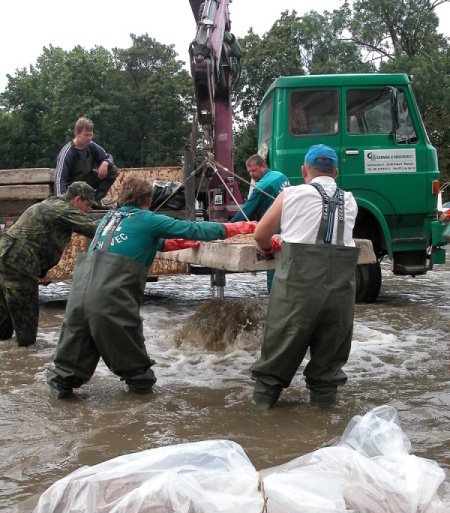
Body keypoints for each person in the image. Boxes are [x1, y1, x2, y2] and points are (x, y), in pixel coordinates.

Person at [46, 175, 257, 399]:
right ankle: (138, 421)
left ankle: (62, 410)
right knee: (138, 376)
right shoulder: (147, 219)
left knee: (66, 371)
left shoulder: (109, 218)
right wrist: (244, 227)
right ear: (147, 200)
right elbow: (195, 229)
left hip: (78, 298)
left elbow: (145, 242)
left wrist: (180, 243)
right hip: (111, 301)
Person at [250, 144, 360, 409]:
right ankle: (323, 427)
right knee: (327, 370)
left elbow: (260, 235)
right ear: (335, 171)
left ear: (304, 170)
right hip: (340, 296)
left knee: (274, 364)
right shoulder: (350, 200)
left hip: (297, 293)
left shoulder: (291, 194)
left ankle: (259, 424)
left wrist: (268, 249)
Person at [0, 182, 98, 347]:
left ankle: (8, 362)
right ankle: (26, 363)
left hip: (5, 259)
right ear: (77, 199)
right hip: (19, 265)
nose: (87, 210)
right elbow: (95, 228)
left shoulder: (52, 203)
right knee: (26, 320)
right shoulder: (63, 210)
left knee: (4, 319)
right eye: (87, 205)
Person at [230, 154, 290, 291]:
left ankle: (273, 295)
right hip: (289, 225)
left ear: (264, 166)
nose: (252, 174)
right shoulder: (280, 175)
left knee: (273, 263)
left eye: (254, 170)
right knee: (285, 264)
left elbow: (246, 211)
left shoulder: (262, 186)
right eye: (249, 172)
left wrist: (229, 226)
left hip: (274, 228)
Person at [54, 117, 118, 209]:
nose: (89, 138)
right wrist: (62, 204)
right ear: (76, 133)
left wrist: (105, 162)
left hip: (88, 181)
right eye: (86, 135)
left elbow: (108, 157)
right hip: (73, 187)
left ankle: (95, 200)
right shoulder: (67, 152)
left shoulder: (91, 146)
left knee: (112, 170)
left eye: (90, 135)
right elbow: (60, 180)